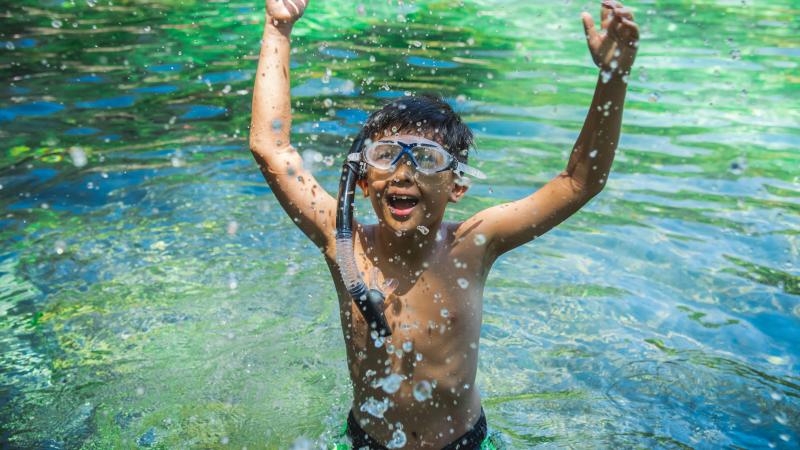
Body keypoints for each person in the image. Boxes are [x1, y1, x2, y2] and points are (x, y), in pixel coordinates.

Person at [249, 0, 639, 448]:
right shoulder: (343, 242)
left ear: (457, 187)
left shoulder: (474, 244)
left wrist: (614, 76)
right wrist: (277, 26)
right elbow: (270, 149)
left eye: (427, 159)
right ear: (360, 179)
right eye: (385, 155)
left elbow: (579, 182)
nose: (402, 172)